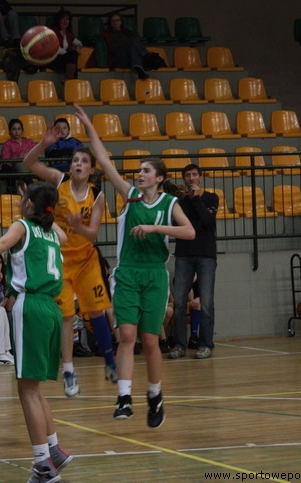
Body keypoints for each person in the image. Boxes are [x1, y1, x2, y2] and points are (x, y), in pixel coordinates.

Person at [73, 103, 195, 428]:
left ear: (159, 178)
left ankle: (155, 395)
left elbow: (189, 232)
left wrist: (155, 228)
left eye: (146, 171)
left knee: (151, 340)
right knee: (126, 335)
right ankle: (124, 398)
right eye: (139, 170)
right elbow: (104, 161)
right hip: (127, 273)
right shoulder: (129, 196)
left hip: (155, 275)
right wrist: (89, 127)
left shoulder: (169, 203)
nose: (139, 174)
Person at [0, 181, 72, 483]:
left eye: (24, 199)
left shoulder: (22, 226)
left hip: (31, 306)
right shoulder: (53, 232)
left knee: (26, 390)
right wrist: (41, 207)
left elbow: (3, 242)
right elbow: (62, 233)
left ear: (28, 205)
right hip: (52, 308)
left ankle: (42, 464)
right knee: (34, 388)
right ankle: (54, 450)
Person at [23, 119, 117, 399]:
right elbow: (28, 163)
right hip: (61, 260)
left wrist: (78, 226)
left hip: (86, 260)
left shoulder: (97, 196)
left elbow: (93, 234)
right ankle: (68, 371)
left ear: (91, 169)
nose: (78, 164)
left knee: (97, 311)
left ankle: (110, 362)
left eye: (83, 161)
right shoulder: (59, 180)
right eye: (75, 160)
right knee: (66, 317)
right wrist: (43, 144)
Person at [170, 164, 218, 360]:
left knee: (206, 302)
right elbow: (178, 225)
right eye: (187, 175)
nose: (191, 178)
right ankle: (179, 345)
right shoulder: (179, 202)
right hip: (184, 254)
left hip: (206, 254)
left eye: (194, 174)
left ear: (201, 177)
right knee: (180, 302)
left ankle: (205, 344)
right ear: (184, 179)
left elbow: (208, 221)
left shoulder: (211, 197)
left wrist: (196, 199)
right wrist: (194, 223)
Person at [93, 12, 149, 79]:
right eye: (112, 21)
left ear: (121, 22)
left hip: (129, 57)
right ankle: (146, 55)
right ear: (110, 23)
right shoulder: (107, 35)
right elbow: (112, 49)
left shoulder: (127, 33)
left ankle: (139, 68)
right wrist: (125, 46)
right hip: (118, 59)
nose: (115, 22)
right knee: (132, 42)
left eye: (117, 20)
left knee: (133, 43)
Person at [1, 118, 36, 192]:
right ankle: (33, 191)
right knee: (20, 165)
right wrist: (19, 158)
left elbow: (37, 154)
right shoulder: (7, 144)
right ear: (10, 131)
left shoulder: (29, 142)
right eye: (14, 129)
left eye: (19, 129)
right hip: (17, 166)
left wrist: (28, 155)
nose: (17, 131)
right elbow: (5, 161)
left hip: (31, 164)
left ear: (22, 130)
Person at [48, 8, 82, 82]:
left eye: (67, 19)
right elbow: (55, 49)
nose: (65, 21)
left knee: (73, 57)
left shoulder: (69, 34)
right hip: (53, 60)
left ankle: (70, 79)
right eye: (63, 19)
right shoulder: (52, 31)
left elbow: (79, 42)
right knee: (72, 55)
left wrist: (78, 47)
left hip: (64, 61)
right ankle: (72, 81)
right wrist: (69, 54)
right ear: (58, 20)